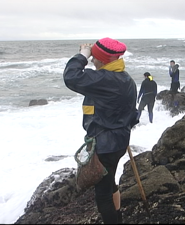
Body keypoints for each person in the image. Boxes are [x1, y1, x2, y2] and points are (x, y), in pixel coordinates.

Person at [63, 37, 139, 224]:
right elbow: (133, 114)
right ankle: (118, 216)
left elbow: (71, 77)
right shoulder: (125, 78)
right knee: (110, 180)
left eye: (93, 57)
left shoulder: (103, 80)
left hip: (105, 146)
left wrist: (82, 55)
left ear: (103, 59)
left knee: (102, 194)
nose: (91, 61)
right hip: (119, 141)